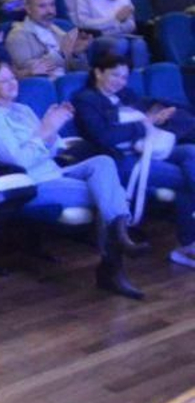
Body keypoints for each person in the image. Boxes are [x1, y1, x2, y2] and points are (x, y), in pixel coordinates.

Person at [0, 62, 149, 299]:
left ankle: (117, 239)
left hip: (55, 172)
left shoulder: (22, 109)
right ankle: (114, 261)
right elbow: (19, 162)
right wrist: (45, 129)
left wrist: (54, 127)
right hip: (32, 183)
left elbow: (53, 150)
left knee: (103, 163)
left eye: (13, 77)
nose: (13, 82)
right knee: (109, 195)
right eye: (4, 80)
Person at [72, 51, 195, 267]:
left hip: (146, 150)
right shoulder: (86, 99)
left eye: (124, 77)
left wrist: (156, 120)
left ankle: (188, 246)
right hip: (122, 160)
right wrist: (143, 123)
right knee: (185, 181)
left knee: (191, 152)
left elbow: (145, 125)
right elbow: (105, 137)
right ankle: (188, 246)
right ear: (98, 72)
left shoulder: (126, 94)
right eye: (114, 75)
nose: (120, 81)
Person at [70, 0, 149, 68]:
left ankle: (138, 79)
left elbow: (131, 24)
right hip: (96, 36)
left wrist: (116, 27)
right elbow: (84, 23)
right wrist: (115, 19)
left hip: (121, 34)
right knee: (121, 44)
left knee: (140, 45)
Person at [6, 0, 90, 78]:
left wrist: (77, 53)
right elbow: (30, 69)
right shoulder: (17, 36)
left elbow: (78, 68)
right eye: (42, 6)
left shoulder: (57, 30)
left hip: (66, 82)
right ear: (28, 9)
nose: (50, 11)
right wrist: (60, 54)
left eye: (52, 5)